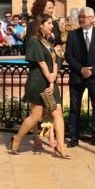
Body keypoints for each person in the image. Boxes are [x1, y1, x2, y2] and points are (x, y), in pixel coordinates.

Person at [9, 15, 69, 158]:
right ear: (40, 25)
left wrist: (53, 78)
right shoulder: (34, 41)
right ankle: (17, 139)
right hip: (38, 83)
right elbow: (41, 63)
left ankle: (60, 147)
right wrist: (49, 79)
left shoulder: (47, 42)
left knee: (57, 113)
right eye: (49, 23)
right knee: (35, 116)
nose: (52, 26)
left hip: (50, 82)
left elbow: (54, 60)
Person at [64, 7, 95, 147]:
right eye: (80, 16)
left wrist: (93, 69)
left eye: (84, 16)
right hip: (77, 76)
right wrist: (81, 69)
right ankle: (73, 137)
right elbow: (68, 55)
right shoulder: (72, 35)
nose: (81, 19)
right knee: (74, 108)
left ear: (92, 18)